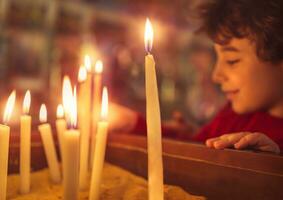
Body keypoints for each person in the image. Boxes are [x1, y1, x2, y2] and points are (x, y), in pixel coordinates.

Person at [109, 0, 283, 154]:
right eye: (217, 59)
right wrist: (133, 123)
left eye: (232, 61)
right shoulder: (232, 115)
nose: (216, 76)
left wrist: (273, 163)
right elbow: (195, 148)